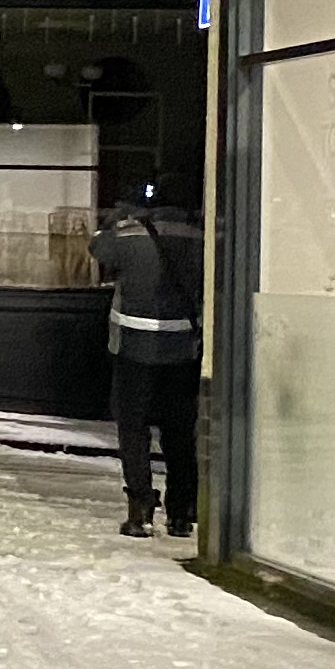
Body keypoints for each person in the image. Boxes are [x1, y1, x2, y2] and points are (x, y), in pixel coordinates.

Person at [90, 179, 204, 539]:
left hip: (133, 349)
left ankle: (140, 509)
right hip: (182, 350)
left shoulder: (129, 235)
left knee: (133, 429)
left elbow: (97, 248)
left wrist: (118, 220)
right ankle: (181, 513)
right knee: (179, 432)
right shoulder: (199, 238)